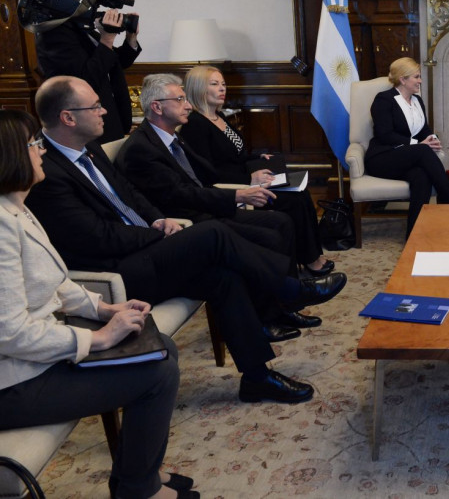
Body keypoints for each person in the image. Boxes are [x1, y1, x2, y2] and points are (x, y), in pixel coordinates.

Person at [26, 76, 345, 404]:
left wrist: (157, 218)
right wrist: (154, 234)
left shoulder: (88, 147)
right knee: (212, 233)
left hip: (144, 248)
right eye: (95, 106)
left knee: (224, 277)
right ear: (68, 117)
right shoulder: (47, 173)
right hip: (115, 274)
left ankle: (257, 377)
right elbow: (97, 239)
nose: (104, 110)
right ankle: (290, 289)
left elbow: (129, 193)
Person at [0, 109, 195, 499]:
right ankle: (138, 489)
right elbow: (10, 333)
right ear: (11, 157)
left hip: (38, 357)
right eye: (33, 144)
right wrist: (100, 340)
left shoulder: (17, 206)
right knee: (155, 375)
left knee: (161, 349)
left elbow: (56, 281)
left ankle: (137, 477)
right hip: (14, 382)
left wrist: (105, 310)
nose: (41, 152)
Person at [116, 74, 328, 283]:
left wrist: (248, 178)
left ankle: (288, 296)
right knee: (272, 233)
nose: (188, 106)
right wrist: (239, 193)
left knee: (281, 222)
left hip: (209, 206)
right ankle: (286, 293)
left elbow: (205, 174)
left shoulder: (172, 136)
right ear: (157, 107)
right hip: (191, 220)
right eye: (180, 100)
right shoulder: (141, 149)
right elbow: (180, 195)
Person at [179, 65, 334, 277]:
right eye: (214, 84)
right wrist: (249, 179)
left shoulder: (219, 116)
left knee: (301, 191)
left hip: (248, 179)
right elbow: (208, 172)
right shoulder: (195, 125)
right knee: (295, 200)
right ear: (198, 89)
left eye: (223, 84)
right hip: (235, 189)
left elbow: (236, 156)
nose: (222, 89)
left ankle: (311, 255)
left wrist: (258, 159)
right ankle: (309, 259)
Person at [33, 0, 140, 143]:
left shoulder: (83, 29)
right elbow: (85, 80)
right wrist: (107, 39)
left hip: (111, 120)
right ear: (69, 1)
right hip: (86, 127)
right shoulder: (55, 34)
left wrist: (130, 39)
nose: (93, 6)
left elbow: (115, 63)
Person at [365, 57, 449, 239]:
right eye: (416, 77)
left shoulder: (417, 101)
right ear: (403, 79)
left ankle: (413, 236)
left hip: (407, 159)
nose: (420, 81)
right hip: (382, 158)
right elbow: (384, 134)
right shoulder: (384, 100)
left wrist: (432, 140)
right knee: (422, 150)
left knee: (421, 176)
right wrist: (419, 145)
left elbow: (423, 130)